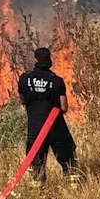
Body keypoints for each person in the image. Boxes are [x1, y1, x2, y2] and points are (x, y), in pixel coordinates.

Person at [18, 47, 80, 187]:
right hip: (55, 128)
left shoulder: (24, 78)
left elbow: (23, 100)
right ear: (49, 60)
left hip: (35, 129)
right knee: (68, 158)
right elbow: (63, 107)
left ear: (35, 59)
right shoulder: (56, 81)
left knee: (36, 163)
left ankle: (38, 194)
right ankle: (73, 188)